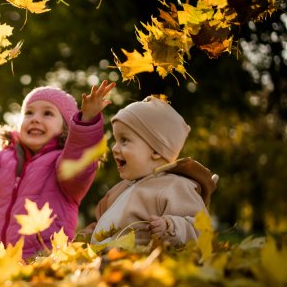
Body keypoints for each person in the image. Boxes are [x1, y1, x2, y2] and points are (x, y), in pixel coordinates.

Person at [0, 81, 115, 259]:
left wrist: (86, 123)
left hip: (40, 258)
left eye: (47, 113)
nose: (35, 118)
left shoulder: (63, 164)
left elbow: (79, 159)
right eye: (28, 113)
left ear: (66, 128)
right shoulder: (3, 159)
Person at [85, 96, 218, 247]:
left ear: (155, 151)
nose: (114, 148)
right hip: (110, 262)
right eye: (115, 140)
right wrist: (93, 232)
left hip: (143, 264)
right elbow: (109, 224)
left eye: (124, 140)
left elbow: (202, 228)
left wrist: (171, 227)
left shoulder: (175, 186)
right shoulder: (121, 189)